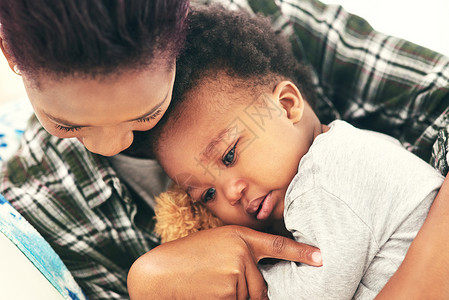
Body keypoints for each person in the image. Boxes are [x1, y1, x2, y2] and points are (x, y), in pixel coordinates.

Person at [0, 0, 449, 299]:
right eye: (68, 124)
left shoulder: (269, 27)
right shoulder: (47, 202)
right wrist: (145, 284)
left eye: (145, 114)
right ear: (6, 50)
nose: (113, 143)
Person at [128, 7, 445, 299]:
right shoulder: (345, 146)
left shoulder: (325, 178)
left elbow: (315, 291)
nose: (231, 193)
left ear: (286, 105)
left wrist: (255, 284)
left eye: (228, 156)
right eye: (208, 194)